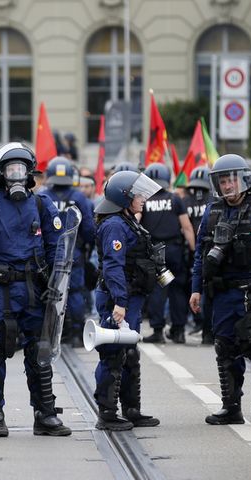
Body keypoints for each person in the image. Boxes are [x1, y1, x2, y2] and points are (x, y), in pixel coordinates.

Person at [0, 142, 71, 438]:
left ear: (29, 172)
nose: (16, 175)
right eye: (10, 169)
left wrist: (57, 285)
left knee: (39, 351)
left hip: (35, 289)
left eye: (21, 169)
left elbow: (57, 248)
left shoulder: (43, 204)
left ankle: (45, 414)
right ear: (0, 173)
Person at [189, 154, 251, 426]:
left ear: (243, 179)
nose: (228, 185)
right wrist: (196, 289)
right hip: (224, 293)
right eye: (223, 181)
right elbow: (201, 253)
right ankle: (231, 407)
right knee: (225, 348)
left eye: (232, 179)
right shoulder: (212, 210)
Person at [91, 170, 165, 430]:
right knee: (113, 353)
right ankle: (107, 413)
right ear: (124, 198)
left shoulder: (127, 220)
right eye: (138, 194)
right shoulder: (114, 225)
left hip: (130, 296)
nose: (143, 198)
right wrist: (120, 302)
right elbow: (113, 267)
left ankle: (132, 409)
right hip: (118, 298)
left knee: (129, 352)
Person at [40, 156, 95, 345]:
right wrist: (88, 247)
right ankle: (76, 333)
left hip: (48, 254)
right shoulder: (79, 197)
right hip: (73, 253)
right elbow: (88, 229)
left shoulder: (43, 196)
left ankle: (50, 333)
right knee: (75, 292)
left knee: (48, 291)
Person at [140, 163, 195, 344]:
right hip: (174, 253)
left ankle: (158, 330)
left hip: (156, 254)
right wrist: (194, 251)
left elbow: (136, 224)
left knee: (159, 289)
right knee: (177, 289)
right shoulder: (175, 199)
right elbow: (187, 227)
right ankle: (178, 331)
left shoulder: (144, 201)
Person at [181, 166, 215, 344]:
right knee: (209, 292)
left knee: (192, 288)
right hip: (210, 251)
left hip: (191, 250)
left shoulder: (185, 201)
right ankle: (207, 330)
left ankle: (199, 325)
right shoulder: (214, 200)